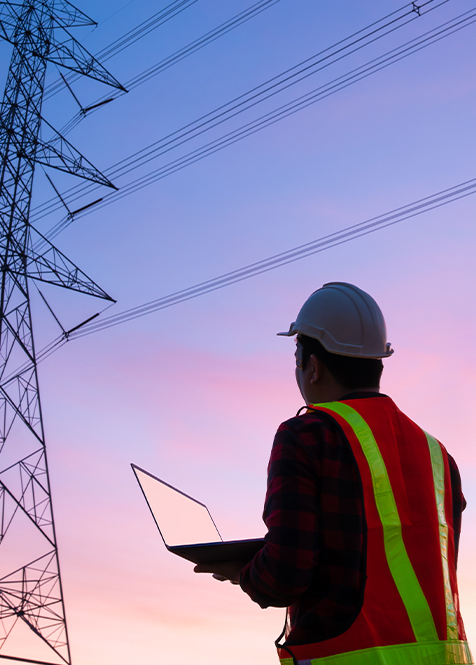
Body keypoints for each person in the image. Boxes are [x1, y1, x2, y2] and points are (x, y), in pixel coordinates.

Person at [194, 282, 470, 663]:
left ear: (314, 365)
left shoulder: (307, 435)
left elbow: (285, 576)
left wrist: (245, 572)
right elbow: (387, 556)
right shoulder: (439, 455)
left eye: (297, 356)